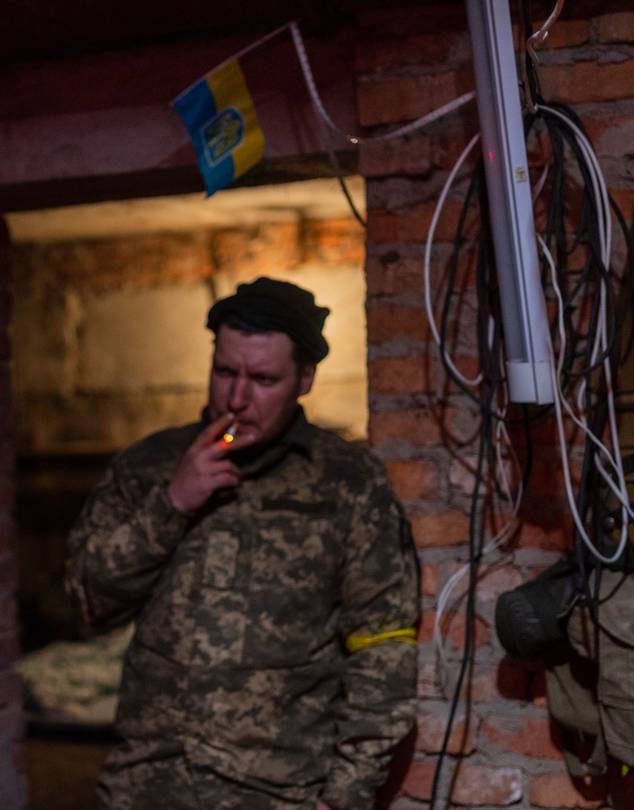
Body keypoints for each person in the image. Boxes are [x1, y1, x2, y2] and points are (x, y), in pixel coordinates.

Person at [65, 277, 420, 810]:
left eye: (262, 379)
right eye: (225, 372)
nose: (236, 397)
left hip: (277, 791)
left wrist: (343, 798)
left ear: (304, 379)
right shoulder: (149, 466)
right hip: (145, 787)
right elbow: (88, 601)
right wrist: (173, 503)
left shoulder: (346, 481)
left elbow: (385, 648)